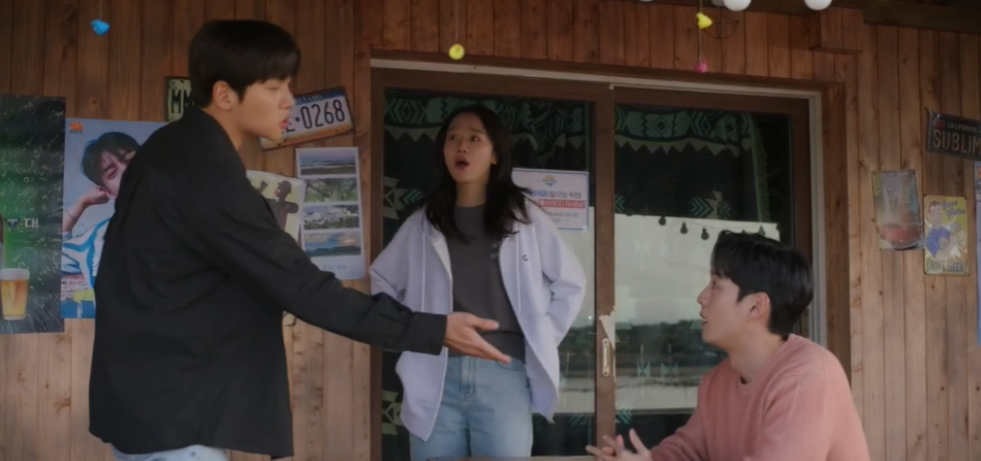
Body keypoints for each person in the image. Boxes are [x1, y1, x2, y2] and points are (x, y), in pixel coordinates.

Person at [88, 20, 508, 461]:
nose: (289, 100)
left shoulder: (168, 148)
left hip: (154, 407)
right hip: (179, 418)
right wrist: (433, 329)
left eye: (288, 85)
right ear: (225, 94)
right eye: (274, 87)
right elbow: (304, 288)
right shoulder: (205, 173)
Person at [370, 105, 586, 460]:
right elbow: (382, 279)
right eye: (453, 138)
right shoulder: (423, 222)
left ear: (495, 154)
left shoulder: (525, 217)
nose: (461, 146)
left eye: (474, 138)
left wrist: (540, 336)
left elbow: (571, 283)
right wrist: (414, 330)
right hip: (435, 373)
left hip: (504, 371)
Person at [587, 231, 870, 461]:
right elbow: (689, 450)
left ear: (756, 305)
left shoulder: (806, 378)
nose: (702, 297)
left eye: (715, 284)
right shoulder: (718, 380)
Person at [62, 132, 140, 301]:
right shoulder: (93, 240)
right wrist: (81, 203)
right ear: (108, 191)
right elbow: (51, 248)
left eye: (132, 160)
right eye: (112, 173)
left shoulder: (189, 218)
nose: (127, 170)